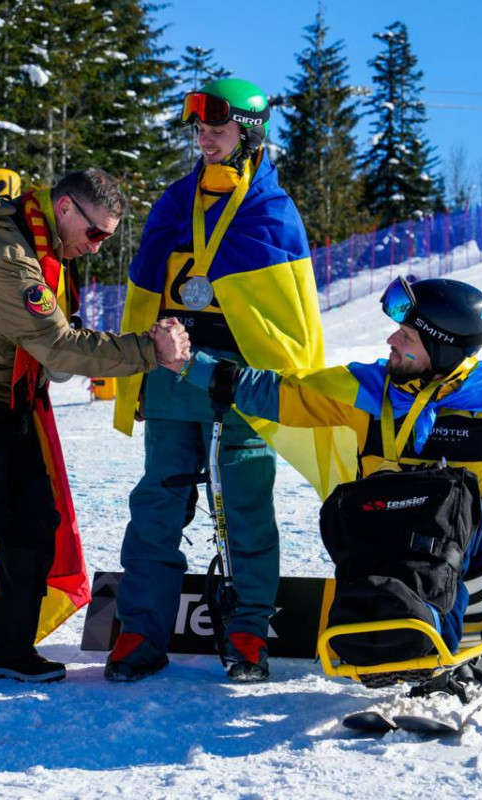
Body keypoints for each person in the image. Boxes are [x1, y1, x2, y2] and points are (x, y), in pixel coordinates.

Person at [162, 276, 482, 677]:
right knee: (357, 509)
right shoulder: (366, 389)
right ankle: (392, 629)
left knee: (453, 510)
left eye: (406, 335)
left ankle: (458, 638)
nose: (391, 342)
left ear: (442, 345)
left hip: (480, 574)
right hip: (395, 565)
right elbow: (272, 392)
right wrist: (186, 364)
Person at [0, 169, 190, 696]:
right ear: (68, 208)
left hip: (6, 399)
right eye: (94, 233)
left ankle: (8, 651)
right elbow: (60, 347)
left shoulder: (41, 247)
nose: (95, 247)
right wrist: (150, 349)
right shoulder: (7, 253)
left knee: (34, 521)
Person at [107, 78, 335, 683]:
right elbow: (145, 290)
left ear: (249, 132)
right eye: (200, 128)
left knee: (245, 508)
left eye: (218, 127)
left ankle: (247, 632)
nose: (204, 138)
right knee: (158, 503)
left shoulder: (272, 212)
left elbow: (289, 317)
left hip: (244, 383)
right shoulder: (174, 200)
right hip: (171, 378)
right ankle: (139, 632)